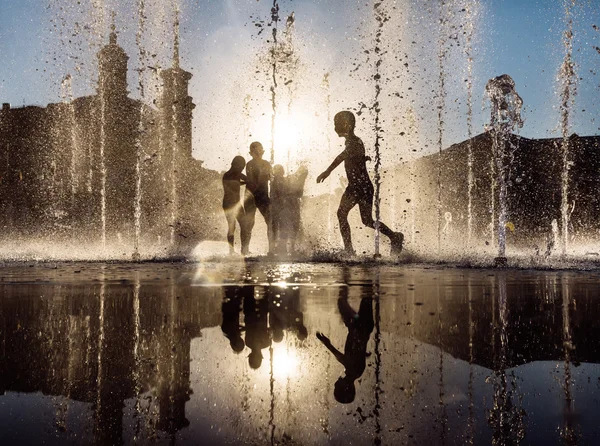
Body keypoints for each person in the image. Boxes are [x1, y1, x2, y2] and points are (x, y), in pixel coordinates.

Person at [316, 111, 404, 256]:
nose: (334, 127)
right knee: (366, 220)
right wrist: (362, 159)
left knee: (342, 214)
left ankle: (349, 251)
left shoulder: (354, 141)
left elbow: (342, 156)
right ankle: (394, 237)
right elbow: (352, 156)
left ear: (347, 125)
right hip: (361, 186)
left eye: (336, 123)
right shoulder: (353, 141)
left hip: (359, 186)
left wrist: (328, 171)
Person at [316, 291, 374, 404]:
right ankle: (346, 277)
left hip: (362, 326)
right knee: (343, 300)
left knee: (367, 295)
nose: (334, 384)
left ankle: (355, 277)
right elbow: (342, 358)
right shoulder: (353, 371)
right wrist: (327, 344)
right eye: (336, 388)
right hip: (359, 325)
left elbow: (353, 355)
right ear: (346, 387)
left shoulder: (356, 372)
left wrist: (363, 352)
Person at [243, 142, 273, 255]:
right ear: (251, 153)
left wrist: (270, 173)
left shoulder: (266, 163)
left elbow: (271, 178)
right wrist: (265, 174)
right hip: (251, 196)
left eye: (260, 151)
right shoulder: (249, 164)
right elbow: (251, 179)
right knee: (249, 223)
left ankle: (271, 249)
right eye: (256, 152)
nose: (258, 154)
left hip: (263, 196)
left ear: (263, 152)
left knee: (270, 221)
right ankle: (244, 249)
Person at [222, 156, 248, 255]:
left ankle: (243, 250)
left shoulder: (236, 175)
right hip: (229, 204)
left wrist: (245, 181)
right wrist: (245, 181)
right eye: (241, 166)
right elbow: (235, 184)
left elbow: (243, 180)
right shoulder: (228, 175)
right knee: (232, 226)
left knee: (244, 225)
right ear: (235, 165)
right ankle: (231, 251)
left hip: (237, 203)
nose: (242, 169)